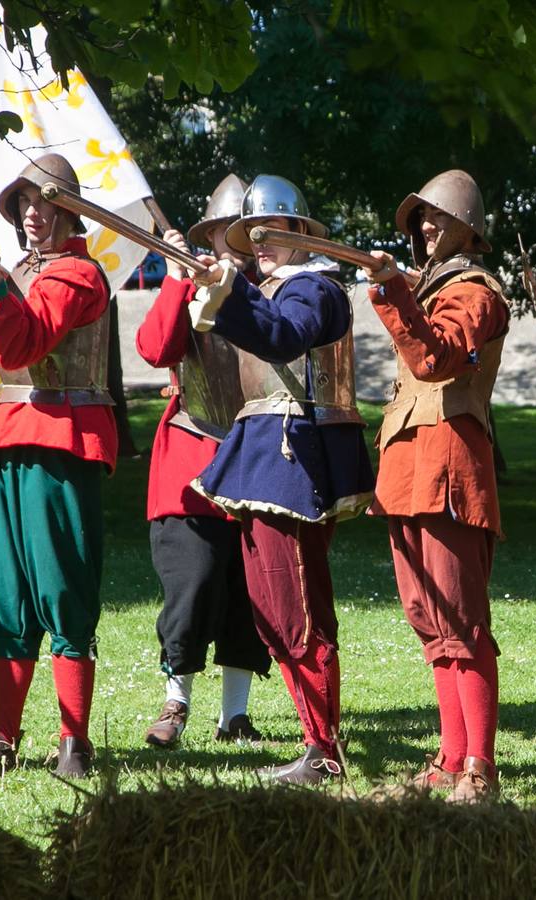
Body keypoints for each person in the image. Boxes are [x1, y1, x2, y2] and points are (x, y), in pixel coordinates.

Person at [186, 174, 374, 785]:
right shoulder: (269, 288)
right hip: (262, 451)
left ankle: (323, 750)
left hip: (295, 456)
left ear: (298, 231)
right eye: (252, 235)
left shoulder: (316, 288)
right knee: (272, 612)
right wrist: (221, 290)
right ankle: (315, 742)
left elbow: (280, 335)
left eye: (270, 232)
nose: (259, 244)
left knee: (298, 612)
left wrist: (232, 292)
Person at [0, 154, 116, 780]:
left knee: (62, 589)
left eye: (42, 203)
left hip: (61, 439)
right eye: (22, 204)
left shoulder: (78, 274)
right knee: (6, 594)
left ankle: (75, 742)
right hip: (9, 437)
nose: (31, 214)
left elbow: (23, 344)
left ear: (70, 210)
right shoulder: (23, 270)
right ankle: (2, 741)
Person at [364, 169, 510, 802]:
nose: (425, 226)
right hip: (407, 469)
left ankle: (479, 762)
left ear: (467, 229)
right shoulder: (429, 286)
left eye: (438, 218)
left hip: (450, 464)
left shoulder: (474, 290)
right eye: (420, 218)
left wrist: (393, 290)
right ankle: (452, 756)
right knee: (430, 619)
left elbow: (436, 357)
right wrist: (398, 288)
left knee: (462, 619)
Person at [134, 174, 270, 749]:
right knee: (192, 585)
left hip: (260, 456)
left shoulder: (272, 294)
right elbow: (154, 349)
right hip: (189, 461)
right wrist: (174, 284)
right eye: (220, 234)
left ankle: (234, 714)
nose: (230, 244)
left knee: (249, 594)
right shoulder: (187, 287)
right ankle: (176, 702)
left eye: (239, 234)